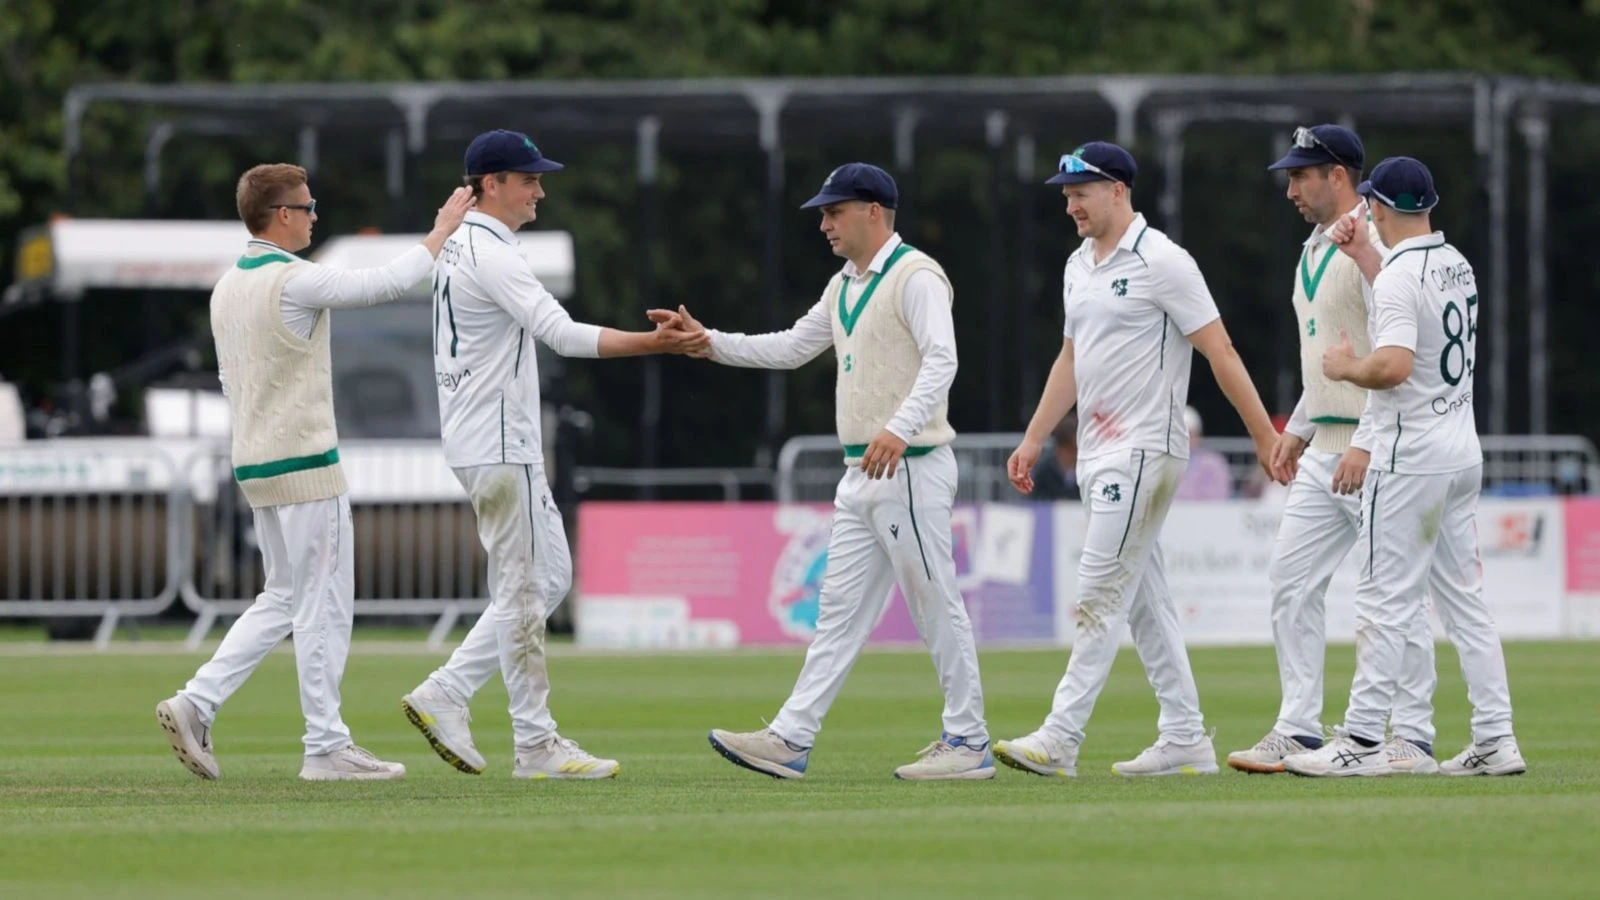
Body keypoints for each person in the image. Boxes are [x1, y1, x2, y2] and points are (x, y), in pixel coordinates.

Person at [661, 162, 991, 781]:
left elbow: (943, 359)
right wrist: (709, 342)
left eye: (834, 212)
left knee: (934, 602)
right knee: (837, 611)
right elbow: (790, 347)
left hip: (911, 466)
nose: (824, 223)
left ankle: (968, 740)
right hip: (862, 472)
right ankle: (791, 737)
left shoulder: (917, 276)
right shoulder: (843, 284)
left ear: (873, 210)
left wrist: (900, 427)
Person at [397, 130, 707, 780]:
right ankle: (533, 745)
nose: (539, 190)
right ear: (490, 185)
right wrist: (657, 345)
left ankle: (449, 692)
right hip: (500, 443)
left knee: (548, 580)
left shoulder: (461, 243)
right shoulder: (491, 252)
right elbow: (562, 335)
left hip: (483, 441)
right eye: (527, 178)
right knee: (523, 588)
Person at [157, 165, 475, 781]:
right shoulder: (292, 279)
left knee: (282, 597)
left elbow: (231, 381)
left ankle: (196, 701)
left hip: (254, 461)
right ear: (281, 215)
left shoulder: (227, 286)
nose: (313, 216)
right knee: (324, 604)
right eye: (307, 207)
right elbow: (380, 285)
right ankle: (326, 745)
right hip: (304, 463)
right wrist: (440, 232)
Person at [995, 142, 1280, 778]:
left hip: (1146, 449)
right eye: (1065, 194)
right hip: (1096, 453)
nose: (1070, 205)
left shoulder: (1164, 261)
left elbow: (1221, 350)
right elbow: (1070, 359)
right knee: (1144, 598)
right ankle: (1184, 737)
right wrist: (1035, 436)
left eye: (1081, 192)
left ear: (1118, 190)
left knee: (1098, 591)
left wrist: (1263, 437)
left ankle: (1061, 738)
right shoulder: (1077, 265)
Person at [1285, 156, 1523, 777]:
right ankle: (1497, 740)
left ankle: (1361, 740)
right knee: (1465, 604)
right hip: (1458, 451)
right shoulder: (1455, 263)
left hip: (1407, 455)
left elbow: (1390, 365)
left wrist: (1343, 370)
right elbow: (1404, 293)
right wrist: (1366, 252)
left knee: (1383, 602)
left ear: (1381, 207)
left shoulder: (1397, 277)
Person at [1228, 126, 1438, 775]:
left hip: (1375, 452)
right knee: (1291, 582)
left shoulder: (1374, 243)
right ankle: (1298, 726)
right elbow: (1330, 353)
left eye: (1301, 175)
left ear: (1339, 175)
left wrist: (1367, 444)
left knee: (1391, 592)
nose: (1291, 188)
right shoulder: (1315, 247)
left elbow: (1394, 353)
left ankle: (1414, 733)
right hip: (1327, 449)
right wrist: (1301, 425)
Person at [1173, 406, 1232, 501]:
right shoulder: (1164, 462)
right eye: (1179, 434)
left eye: (1189, 433)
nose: (1185, 438)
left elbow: (1219, 496)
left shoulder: (1214, 463)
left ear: (1198, 435)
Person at [1029, 414, 1081, 501]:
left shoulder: (1087, 468)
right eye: (1071, 449)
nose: (1075, 454)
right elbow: (1035, 497)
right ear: (1060, 448)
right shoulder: (1044, 470)